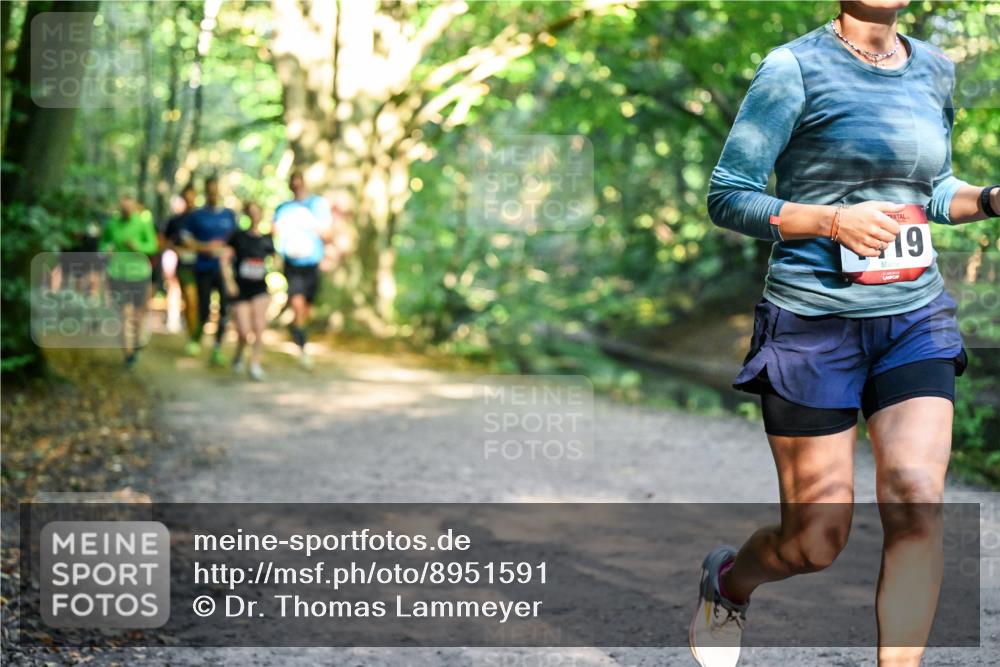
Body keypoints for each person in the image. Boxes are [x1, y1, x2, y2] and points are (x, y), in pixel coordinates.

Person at [688, 2, 999, 667]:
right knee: (813, 541)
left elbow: (932, 189)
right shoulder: (792, 68)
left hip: (914, 318)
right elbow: (728, 193)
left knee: (918, 500)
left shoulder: (935, 69)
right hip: (811, 325)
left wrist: (991, 198)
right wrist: (831, 222)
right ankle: (729, 580)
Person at [273, 170, 332, 369]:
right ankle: (303, 346)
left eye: (299, 182)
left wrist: (310, 224)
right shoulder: (283, 208)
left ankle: (298, 331)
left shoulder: (317, 205)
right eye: (293, 182)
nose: (296, 185)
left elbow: (327, 234)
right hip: (292, 264)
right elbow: (274, 231)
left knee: (306, 308)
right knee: (297, 304)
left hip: (312, 263)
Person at [183, 175, 238, 366]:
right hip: (203, 269)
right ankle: (196, 338)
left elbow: (236, 241)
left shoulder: (229, 215)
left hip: (224, 271)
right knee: (204, 309)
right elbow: (187, 241)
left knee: (224, 310)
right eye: (210, 191)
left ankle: (217, 348)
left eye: (216, 190)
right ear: (206, 192)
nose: (213, 194)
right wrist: (205, 247)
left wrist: (228, 252)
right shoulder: (196, 216)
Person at [100, 195, 159, 368]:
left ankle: (135, 342)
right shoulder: (112, 224)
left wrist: (137, 247)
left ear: (134, 204)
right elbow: (103, 244)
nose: (126, 204)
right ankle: (128, 353)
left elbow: (153, 246)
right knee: (124, 313)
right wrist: (106, 250)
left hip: (139, 273)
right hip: (117, 273)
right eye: (123, 201)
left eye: (129, 201)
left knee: (138, 314)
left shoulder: (142, 223)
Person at [221, 201, 275, 381]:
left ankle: (254, 364)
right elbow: (224, 259)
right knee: (244, 331)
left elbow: (275, 261)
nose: (254, 216)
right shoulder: (238, 237)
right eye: (250, 212)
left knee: (259, 327)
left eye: (256, 212)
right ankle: (239, 353)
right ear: (246, 215)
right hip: (241, 289)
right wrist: (229, 281)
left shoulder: (267, 239)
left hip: (260, 288)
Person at [164, 184, 201, 353]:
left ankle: (196, 333)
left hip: (203, 265)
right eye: (187, 197)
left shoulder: (202, 218)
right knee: (190, 300)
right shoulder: (176, 221)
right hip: (184, 265)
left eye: (193, 196)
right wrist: (175, 249)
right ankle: (193, 337)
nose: (190, 200)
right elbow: (164, 240)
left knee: (201, 302)